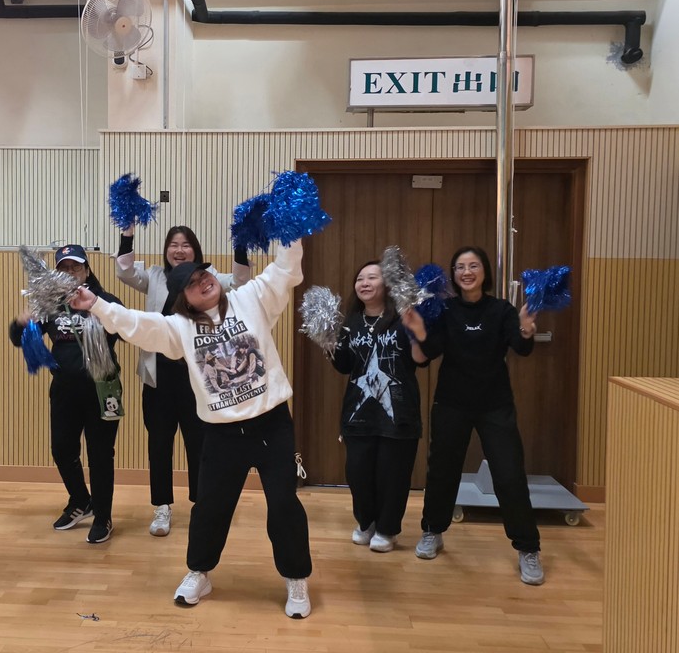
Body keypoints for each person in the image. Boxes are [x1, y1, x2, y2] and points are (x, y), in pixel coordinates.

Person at [72, 239, 312, 619]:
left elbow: (285, 269)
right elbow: (137, 324)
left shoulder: (251, 298)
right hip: (222, 433)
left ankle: (296, 577)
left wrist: (291, 232)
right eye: (192, 283)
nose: (203, 282)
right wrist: (97, 305)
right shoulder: (178, 328)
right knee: (210, 508)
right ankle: (200, 572)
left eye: (204, 274)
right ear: (183, 298)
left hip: (271, 424)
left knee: (284, 505)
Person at [413, 245, 544, 585]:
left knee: (509, 474)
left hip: (495, 405)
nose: (466, 272)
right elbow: (430, 352)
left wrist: (526, 329)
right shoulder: (445, 310)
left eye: (473, 266)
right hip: (451, 403)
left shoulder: (501, 310)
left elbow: (521, 347)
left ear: (484, 271)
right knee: (442, 471)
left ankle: (528, 548)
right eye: (460, 267)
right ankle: (432, 531)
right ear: (453, 274)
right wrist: (419, 329)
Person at [115, 224, 250, 537]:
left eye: (186, 245)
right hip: (158, 378)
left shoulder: (208, 278)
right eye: (174, 245)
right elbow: (124, 272)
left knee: (200, 443)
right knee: (159, 443)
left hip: (198, 378)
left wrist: (241, 243)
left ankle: (201, 503)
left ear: (195, 250)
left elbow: (240, 281)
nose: (179, 250)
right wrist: (127, 236)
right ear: (166, 250)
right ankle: (161, 506)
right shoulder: (154, 276)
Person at [9, 244, 124, 545]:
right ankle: (81, 500)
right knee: (62, 449)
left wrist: (103, 313)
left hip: (102, 389)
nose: (71, 273)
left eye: (76, 267)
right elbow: (18, 339)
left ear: (87, 270)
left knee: (100, 455)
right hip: (64, 390)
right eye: (64, 268)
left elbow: (125, 330)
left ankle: (103, 515)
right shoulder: (50, 306)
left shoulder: (105, 301)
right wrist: (21, 321)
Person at [330, 261, 427, 553]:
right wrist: (329, 343)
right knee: (358, 472)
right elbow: (343, 366)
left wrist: (418, 332)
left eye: (372, 277)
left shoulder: (404, 317)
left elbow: (421, 360)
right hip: (358, 412)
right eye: (360, 278)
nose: (364, 282)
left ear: (387, 285)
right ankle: (366, 522)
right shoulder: (350, 322)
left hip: (399, 411)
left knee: (392, 474)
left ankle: (387, 529)